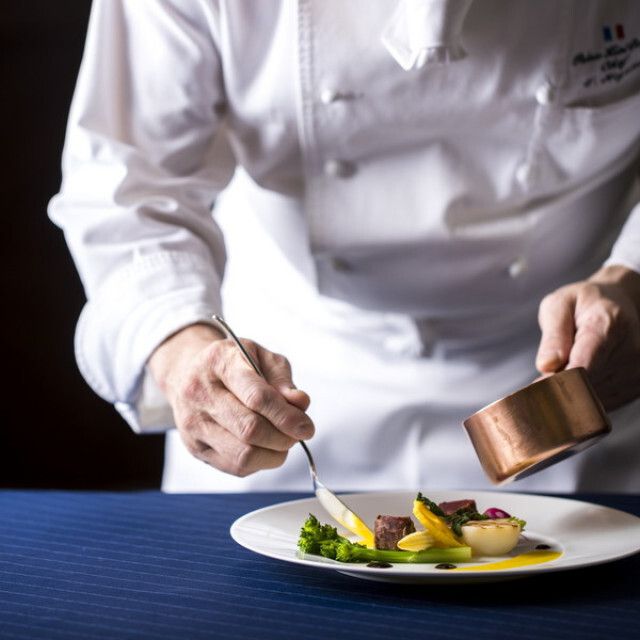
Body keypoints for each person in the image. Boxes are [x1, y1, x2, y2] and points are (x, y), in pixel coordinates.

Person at [49, 0, 640, 493]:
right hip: (291, 373)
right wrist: (181, 349)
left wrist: (632, 275)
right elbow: (127, 187)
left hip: (574, 375)